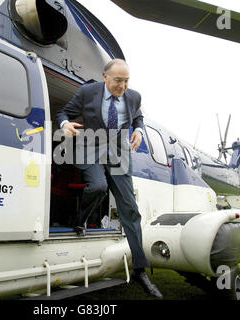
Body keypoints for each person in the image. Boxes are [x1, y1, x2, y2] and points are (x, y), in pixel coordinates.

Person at [55, 59, 163, 299]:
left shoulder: (134, 96)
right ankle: (80, 220)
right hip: (90, 148)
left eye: (126, 81)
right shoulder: (87, 92)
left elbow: (137, 117)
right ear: (105, 77)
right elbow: (63, 112)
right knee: (98, 186)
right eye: (117, 81)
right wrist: (64, 124)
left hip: (118, 153)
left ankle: (140, 269)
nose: (122, 86)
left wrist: (138, 130)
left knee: (130, 209)